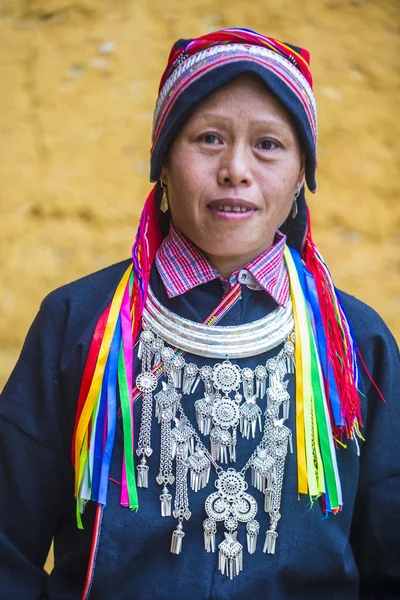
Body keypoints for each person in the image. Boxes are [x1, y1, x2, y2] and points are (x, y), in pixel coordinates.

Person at [0, 28, 399, 600]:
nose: (236, 168)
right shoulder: (77, 322)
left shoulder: (356, 344)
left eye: (268, 145)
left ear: (298, 181)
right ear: (163, 163)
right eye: (208, 138)